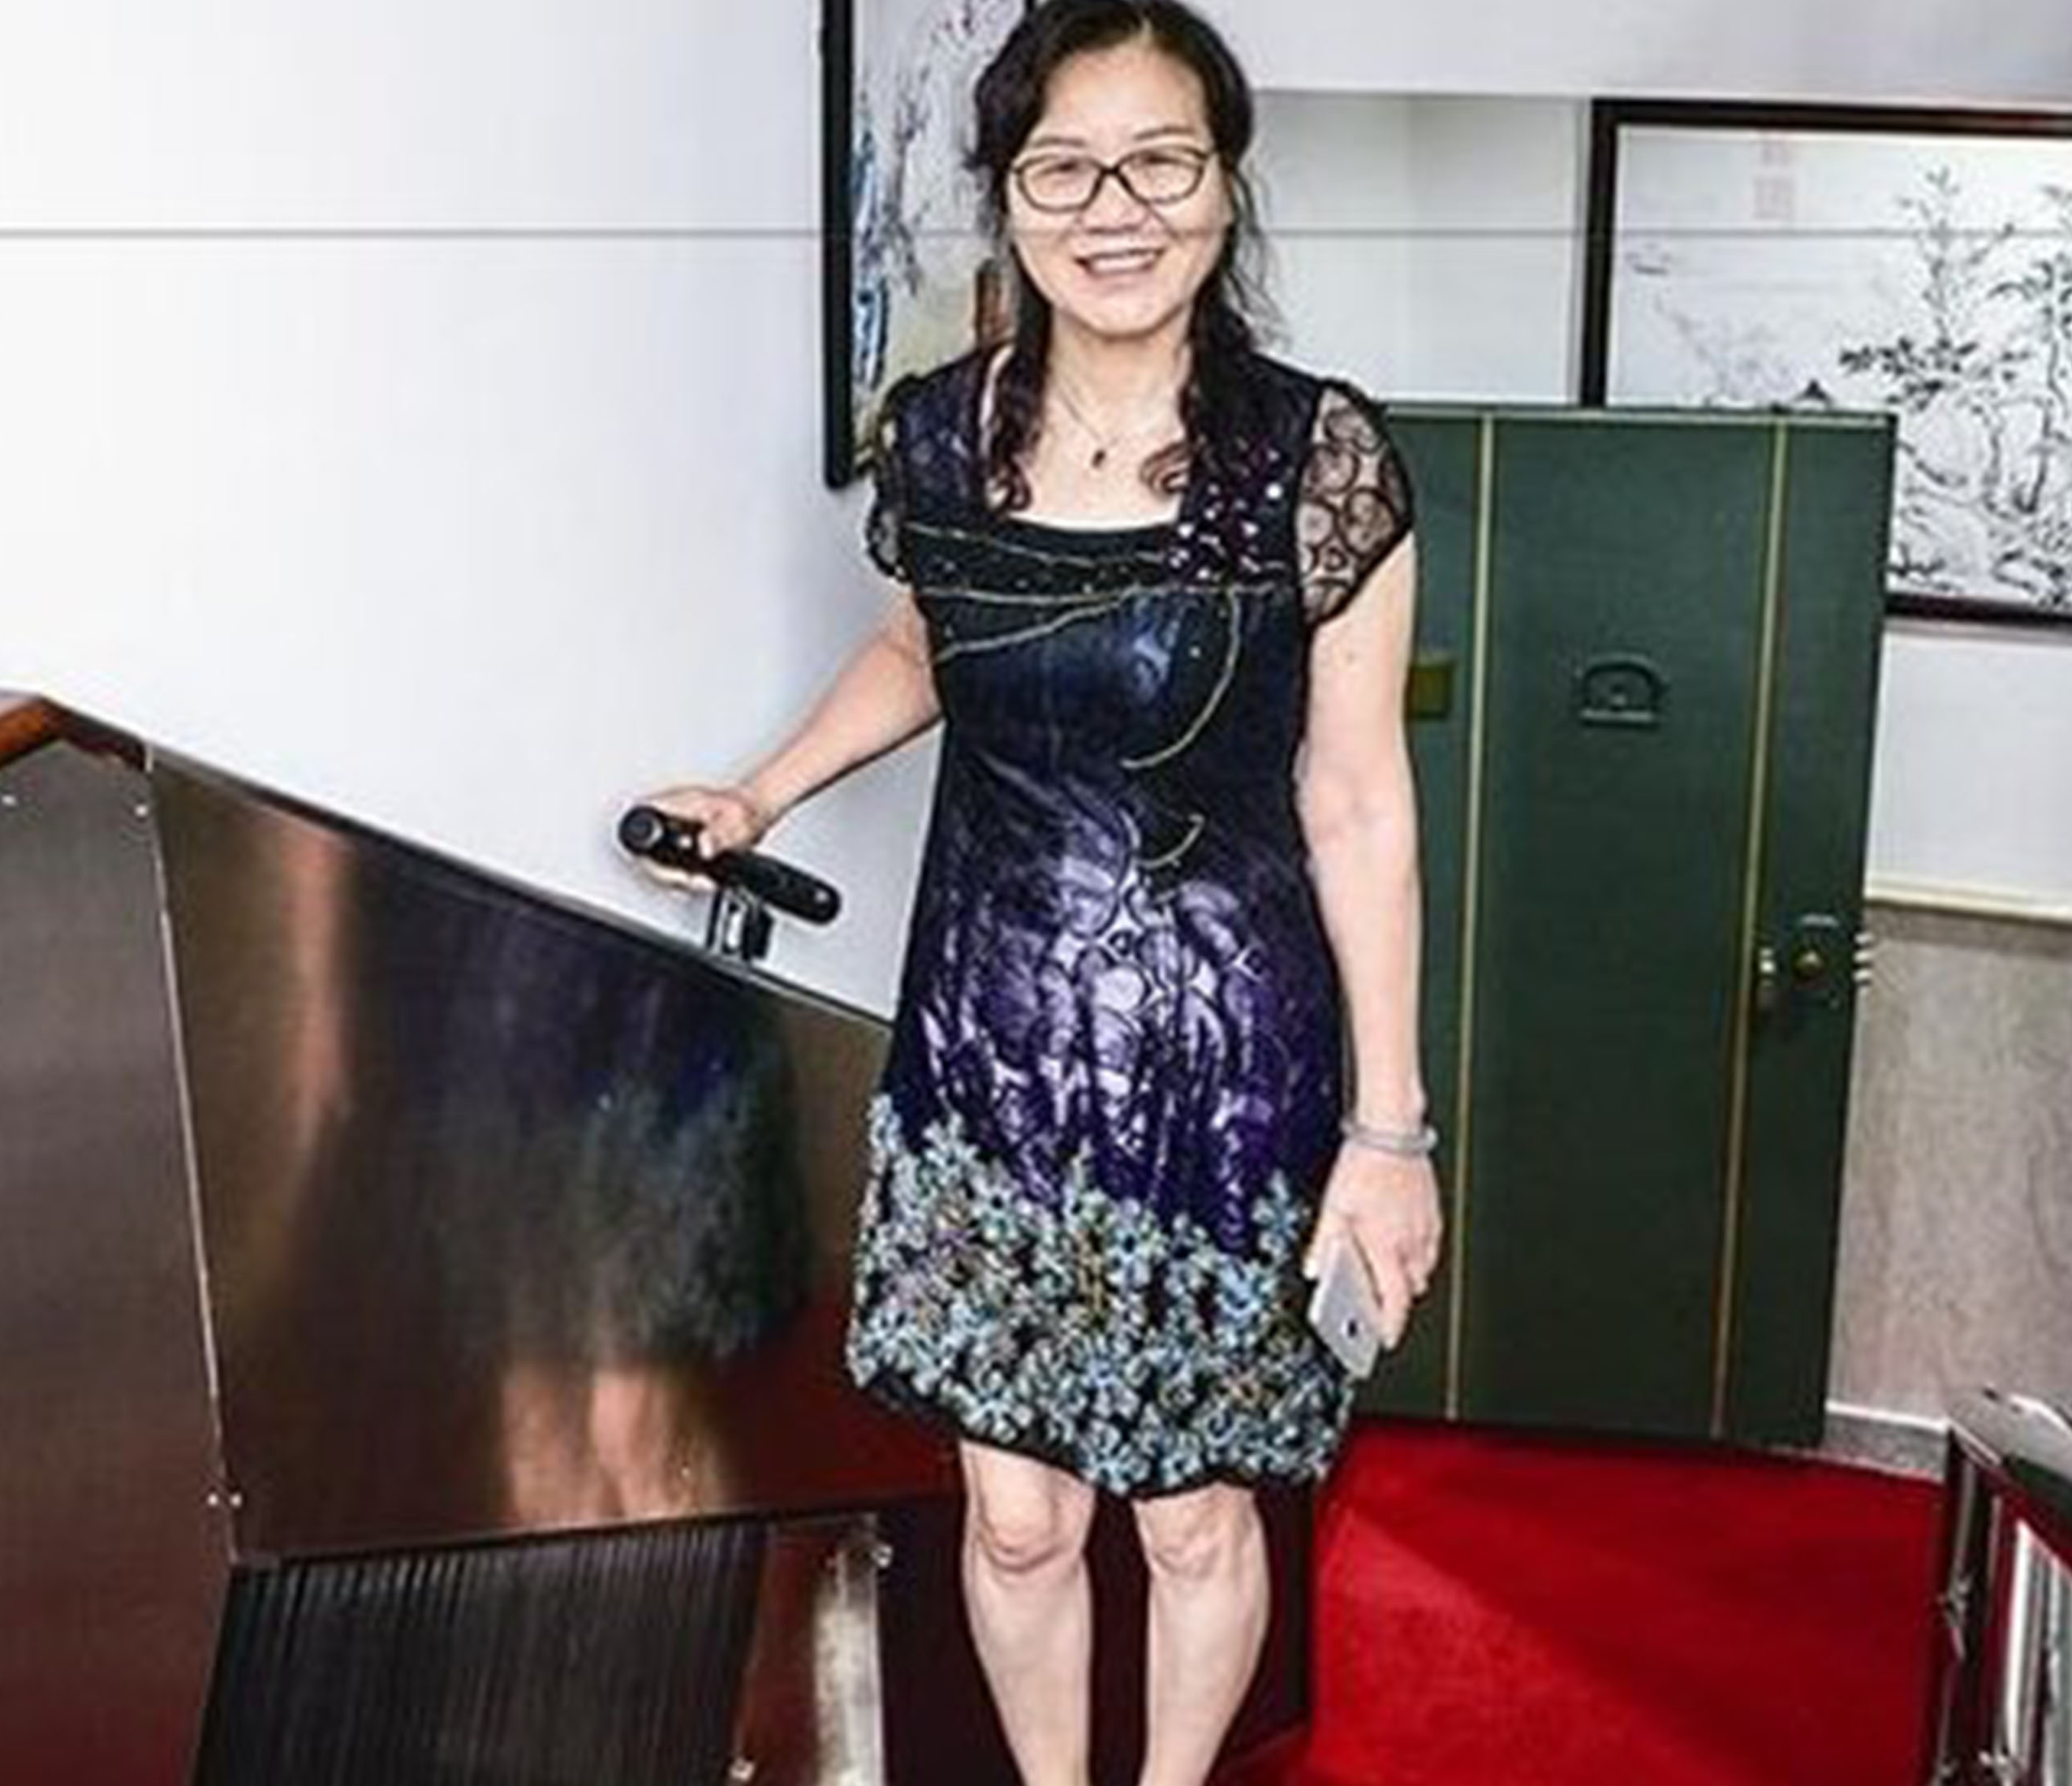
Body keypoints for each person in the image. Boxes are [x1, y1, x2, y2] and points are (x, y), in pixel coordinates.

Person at [633, 3, 1444, 1781]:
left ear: (1224, 185)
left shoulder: (1318, 460)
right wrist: (758, 788)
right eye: (1063, 167)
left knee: (1193, 1519)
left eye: (1159, 162)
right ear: (1007, 193)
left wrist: (1387, 1130)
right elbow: (915, 650)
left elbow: (1356, 796)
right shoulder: (939, 437)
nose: (1113, 209)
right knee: (1013, 1520)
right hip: (986, 1051)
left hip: (1228, 1071)